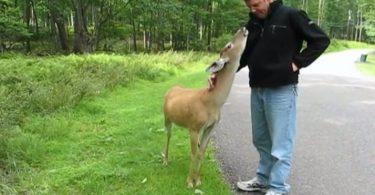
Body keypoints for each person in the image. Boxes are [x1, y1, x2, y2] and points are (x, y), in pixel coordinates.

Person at [236, 0, 330, 194]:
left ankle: (278, 188)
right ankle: (262, 180)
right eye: (249, 7)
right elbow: (242, 55)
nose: (252, 10)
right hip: (257, 88)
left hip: (282, 89)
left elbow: (321, 39)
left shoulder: (290, 15)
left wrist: (297, 62)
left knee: (280, 143)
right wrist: (221, 74)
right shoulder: (253, 23)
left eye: (255, 5)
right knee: (261, 139)